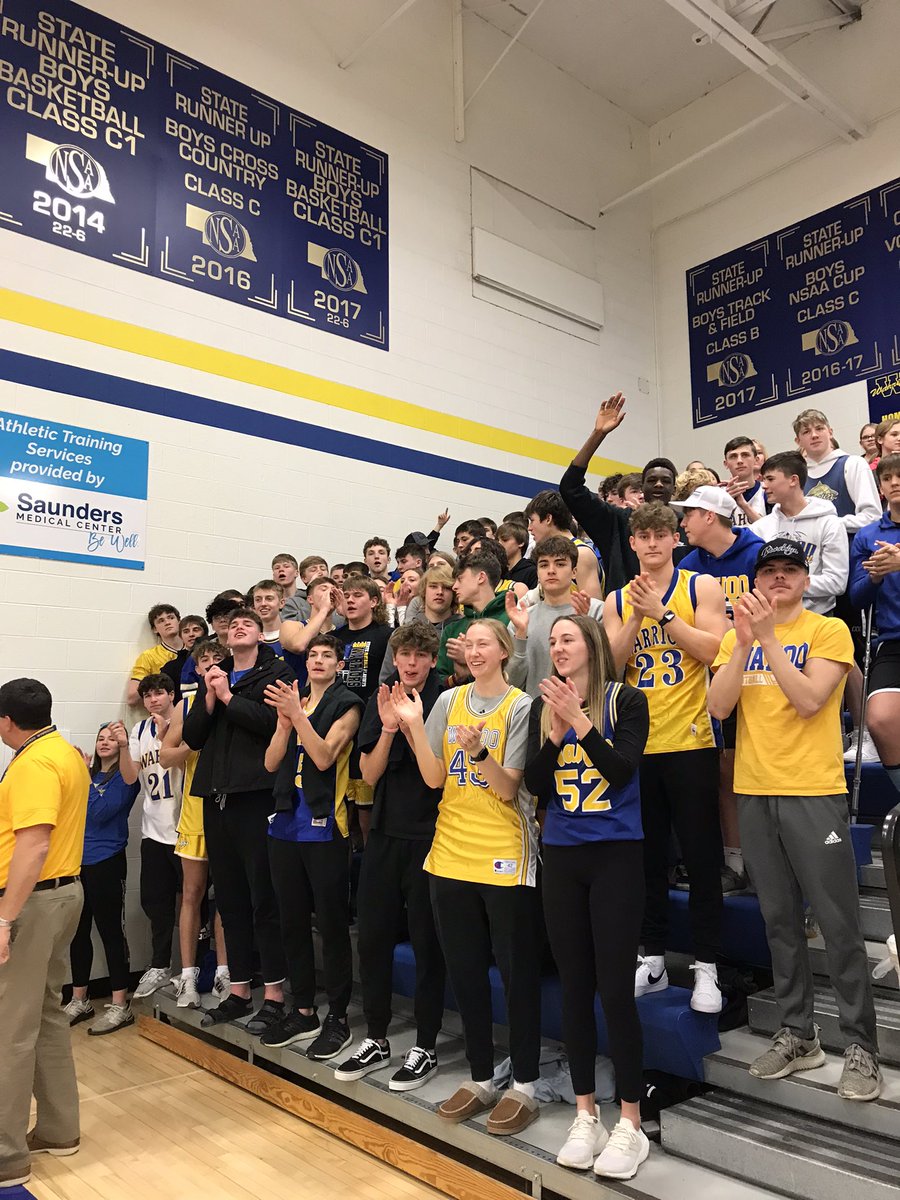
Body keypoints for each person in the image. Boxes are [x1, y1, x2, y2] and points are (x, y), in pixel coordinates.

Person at [708, 539, 881, 1100]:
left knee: (838, 926)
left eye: (790, 571)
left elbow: (809, 700)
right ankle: (797, 1034)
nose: (779, 579)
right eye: (770, 571)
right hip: (755, 792)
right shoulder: (739, 637)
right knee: (779, 922)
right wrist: (742, 644)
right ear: (756, 581)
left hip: (813, 790)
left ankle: (861, 1045)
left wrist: (767, 640)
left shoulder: (829, 631)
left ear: (807, 581)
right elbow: (718, 706)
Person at [394, 619, 541, 1136]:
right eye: (469, 644)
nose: (475, 651)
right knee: (465, 972)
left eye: (485, 644)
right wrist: (413, 726)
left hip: (504, 851)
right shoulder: (447, 701)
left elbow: (507, 790)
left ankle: (524, 1082)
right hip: (449, 852)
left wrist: (479, 752)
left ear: (504, 652)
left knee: (516, 972)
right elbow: (434, 778)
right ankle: (482, 1076)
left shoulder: (521, 707)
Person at [525, 617, 650, 1179]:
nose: (557, 648)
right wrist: (555, 732)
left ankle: (631, 1122)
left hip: (616, 856)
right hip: (564, 856)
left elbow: (621, 773)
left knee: (614, 989)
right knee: (574, 987)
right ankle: (585, 1113)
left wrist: (580, 723)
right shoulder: (541, 706)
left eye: (567, 639)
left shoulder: (627, 700)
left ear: (593, 647)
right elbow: (534, 784)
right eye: (552, 642)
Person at [603, 502, 729, 1013]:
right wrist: (636, 613)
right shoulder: (616, 599)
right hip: (639, 746)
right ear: (632, 543)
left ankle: (708, 967)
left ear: (675, 538)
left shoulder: (700, 586)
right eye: (642, 536)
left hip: (693, 739)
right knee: (645, 861)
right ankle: (651, 957)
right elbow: (610, 666)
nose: (652, 544)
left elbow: (712, 649)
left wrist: (664, 613)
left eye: (660, 535)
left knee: (701, 860)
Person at [335, 624, 446, 1091]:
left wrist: (415, 727)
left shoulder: (447, 697)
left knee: (426, 945)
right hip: (383, 832)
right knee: (374, 939)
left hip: (432, 835)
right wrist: (386, 730)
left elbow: (439, 774)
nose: (412, 662)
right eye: (405, 655)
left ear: (432, 658)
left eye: (421, 655)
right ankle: (377, 1037)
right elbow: (369, 773)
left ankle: (425, 1045)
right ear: (395, 658)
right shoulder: (384, 697)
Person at [182, 608, 295, 1034]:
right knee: (229, 899)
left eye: (245, 623)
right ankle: (240, 990)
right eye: (231, 626)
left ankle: (275, 996)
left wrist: (229, 698)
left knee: (263, 899)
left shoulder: (276, 671)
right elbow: (193, 736)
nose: (237, 628)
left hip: (257, 796)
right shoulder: (216, 672)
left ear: (260, 633)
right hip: (217, 797)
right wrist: (211, 697)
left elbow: (272, 724)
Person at [0, 678, 89, 1189]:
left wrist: (5, 919)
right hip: (63, 896)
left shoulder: (34, 763)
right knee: (48, 1016)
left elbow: (33, 847)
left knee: (10, 1029)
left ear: (7, 720)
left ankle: (7, 1155)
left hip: (33, 904)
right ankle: (59, 1130)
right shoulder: (63, 751)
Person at [259, 636, 362, 1060]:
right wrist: (284, 725)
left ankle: (337, 1016)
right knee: (291, 923)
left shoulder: (348, 704)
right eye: (312, 655)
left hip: (325, 830)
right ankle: (303, 1009)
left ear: (339, 665)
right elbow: (270, 762)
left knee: (332, 926)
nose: (318, 660)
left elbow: (323, 758)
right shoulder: (294, 702)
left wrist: (297, 717)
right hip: (284, 825)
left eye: (326, 656)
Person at [670, 486, 763, 892]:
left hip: (764, 666)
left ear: (709, 516)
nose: (682, 522)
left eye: (688, 514)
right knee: (725, 766)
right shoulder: (689, 563)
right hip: (719, 672)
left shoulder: (758, 551)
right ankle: (735, 862)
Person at [160, 640, 231, 1010]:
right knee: (192, 893)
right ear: (197, 669)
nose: (210, 666)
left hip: (230, 810)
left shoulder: (238, 701)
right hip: (194, 812)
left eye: (218, 660)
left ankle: (223, 969)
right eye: (204, 661)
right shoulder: (185, 704)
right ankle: (187, 975)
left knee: (228, 897)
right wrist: (194, 739)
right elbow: (166, 756)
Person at [560, 392, 687, 590]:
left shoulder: (689, 526)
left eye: (666, 481)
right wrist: (598, 434)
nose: (659, 485)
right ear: (643, 487)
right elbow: (570, 488)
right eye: (652, 480)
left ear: (675, 488)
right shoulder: (617, 522)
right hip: (625, 614)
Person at [65, 722, 139, 1036]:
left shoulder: (124, 777)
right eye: (100, 738)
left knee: (110, 933)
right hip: (77, 864)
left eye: (111, 738)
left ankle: (121, 1005)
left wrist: (82, 777)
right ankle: (80, 999)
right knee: (78, 933)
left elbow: (98, 813)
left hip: (107, 863)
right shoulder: (90, 775)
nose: (104, 742)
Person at [124, 675, 185, 1001]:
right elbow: (131, 776)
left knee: (194, 903)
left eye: (159, 692)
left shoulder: (185, 720)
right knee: (156, 903)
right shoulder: (138, 730)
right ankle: (160, 965)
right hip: (152, 829)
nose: (152, 699)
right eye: (147, 694)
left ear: (171, 694)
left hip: (184, 829)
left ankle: (196, 969)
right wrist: (122, 746)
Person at [850, 453, 900, 786]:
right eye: (887, 478)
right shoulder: (868, 536)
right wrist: (876, 577)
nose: (895, 483)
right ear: (880, 487)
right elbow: (856, 598)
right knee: (880, 719)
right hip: (892, 640)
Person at [332, 575, 393, 842]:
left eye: (358, 595)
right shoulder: (334, 638)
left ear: (374, 601)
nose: (351, 600)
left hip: (369, 727)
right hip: (337, 726)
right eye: (347, 595)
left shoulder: (385, 635)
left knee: (366, 809)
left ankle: (368, 868)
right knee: (342, 810)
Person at [506, 535, 602, 698]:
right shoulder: (522, 619)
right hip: (536, 714)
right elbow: (511, 683)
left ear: (574, 572)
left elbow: (610, 671)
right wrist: (521, 635)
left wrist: (586, 625)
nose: (551, 570)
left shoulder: (596, 611)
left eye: (560, 564)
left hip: (586, 712)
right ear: (537, 572)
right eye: (544, 565)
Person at [754, 453, 848, 616]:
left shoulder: (829, 523)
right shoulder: (760, 527)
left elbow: (837, 582)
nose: (764, 486)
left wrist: (789, 587)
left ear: (793, 480)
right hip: (772, 618)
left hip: (818, 617)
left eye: (770, 479)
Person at [436, 549, 511, 686]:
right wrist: (459, 677)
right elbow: (439, 681)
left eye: (460, 579)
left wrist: (469, 656)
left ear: (481, 577)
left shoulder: (511, 619)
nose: (454, 586)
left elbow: (517, 671)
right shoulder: (452, 629)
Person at [525, 490, 604, 599]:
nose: (529, 528)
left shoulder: (581, 554)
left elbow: (593, 610)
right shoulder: (545, 553)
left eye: (532, 521)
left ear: (548, 519)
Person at [127, 604, 182, 707]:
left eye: (171, 617)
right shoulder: (149, 657)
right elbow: (131, 698)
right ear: (154, 629)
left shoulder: (195, 651)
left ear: (179, 621)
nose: (167, 622)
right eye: (161, 620)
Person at [722, 435, 767, 526]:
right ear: (726, 464)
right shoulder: (719, 495)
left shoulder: (767, 490)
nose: (739, 461)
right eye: (733, 456)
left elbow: (771, 531)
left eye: (745, 455)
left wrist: (743, 505)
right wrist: (724, 504)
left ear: (756, 460)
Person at [162, 614, 209, 700]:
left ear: (205, 633)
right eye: (186, 631)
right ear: (180, 636)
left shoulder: (216, 660)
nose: (191, 634)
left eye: (196, 630)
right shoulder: (170, 668)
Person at [281, 555, 330, 622]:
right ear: (304, 578)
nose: (320, 572)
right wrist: (312, 592)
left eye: (323, 569)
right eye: (313, 570)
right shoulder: (293, 602)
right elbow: (290, 625)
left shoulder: (336, 600)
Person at [496, 521, 538, 589]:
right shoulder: (497, 571)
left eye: (505, 540)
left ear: (521, 543)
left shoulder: (532, 572)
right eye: (497, 540)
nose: (499, 544)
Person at [251, 579, 286, 655]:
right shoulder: (250, 639)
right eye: (258, 600)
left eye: (269, 599)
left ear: (281, 603)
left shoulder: (292, 634)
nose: (263, 603)